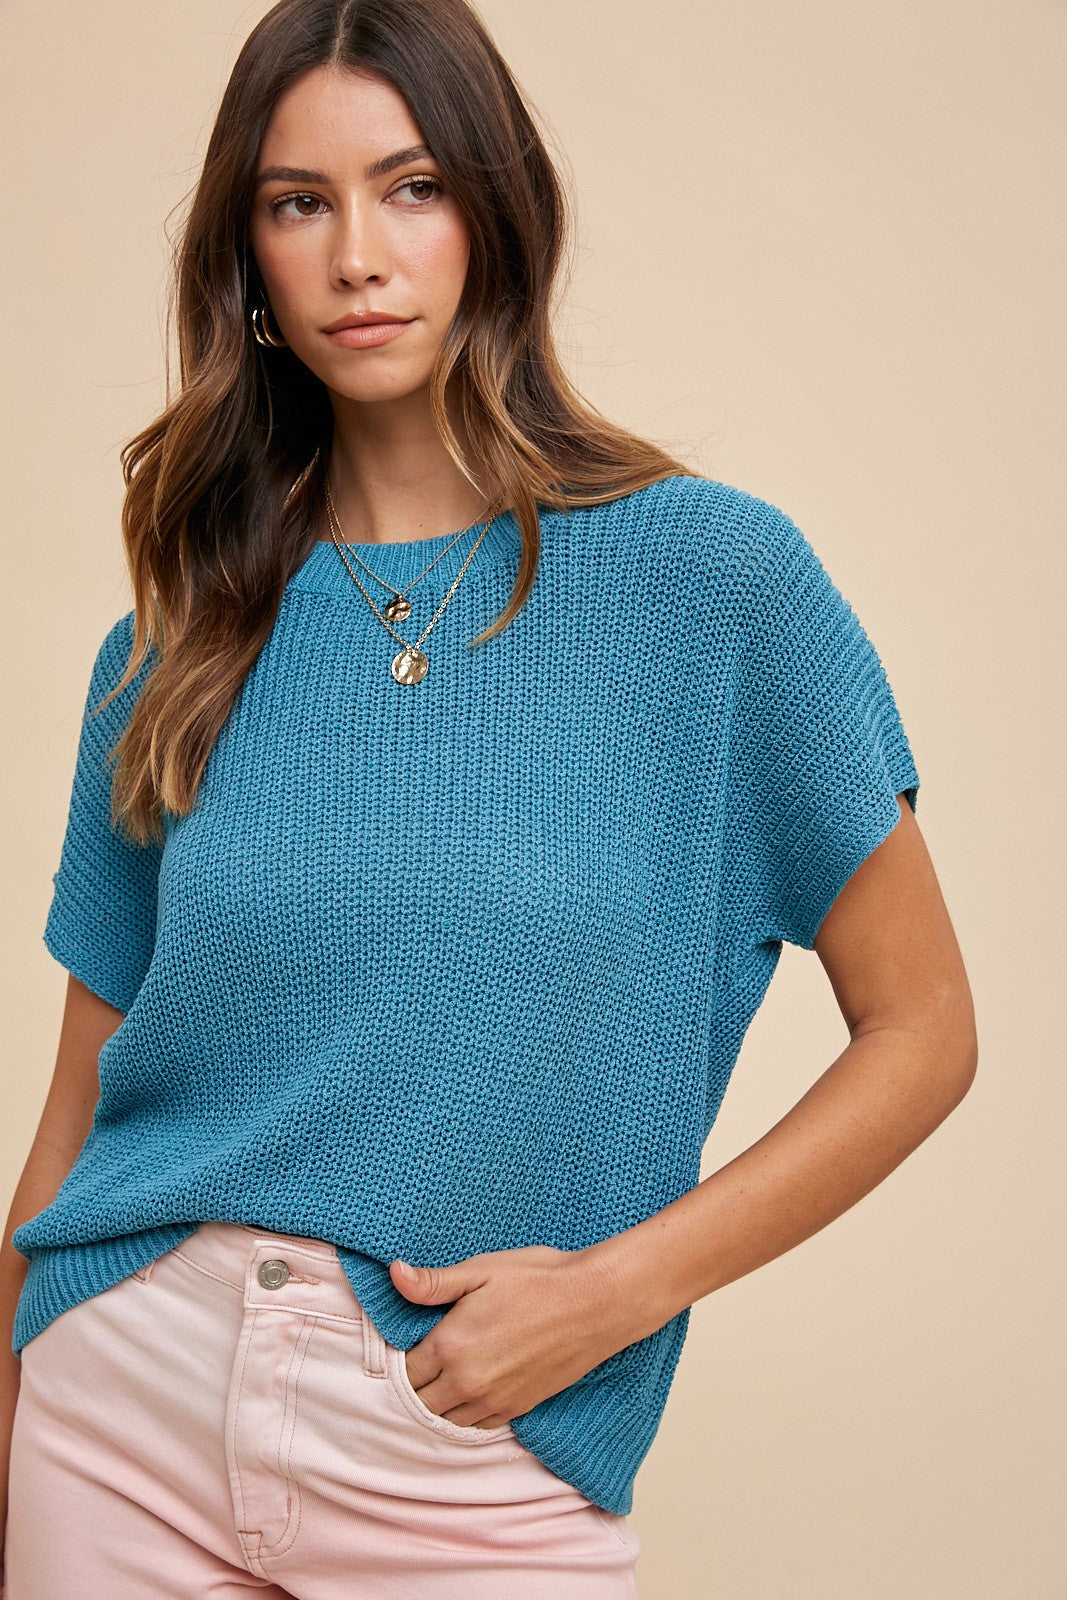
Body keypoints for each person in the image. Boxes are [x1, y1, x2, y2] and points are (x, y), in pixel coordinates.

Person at [0, 0, 978, 1594]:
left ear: (495, 215)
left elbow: (926, 1031)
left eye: (413, 188)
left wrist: (620, 1291)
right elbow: (71, 1122)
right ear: (247, 259)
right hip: (122, 1411)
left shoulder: (711, 585)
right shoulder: (175, 644)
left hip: (470, 1444)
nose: (357, 257)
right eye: (298, 203)